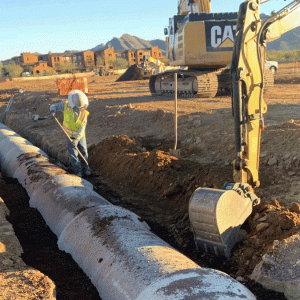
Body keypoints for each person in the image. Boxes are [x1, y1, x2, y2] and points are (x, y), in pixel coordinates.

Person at [50, 90, 91, 177]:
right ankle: (78, 171)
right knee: (73, 154)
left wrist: (76, 140)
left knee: (84, 152)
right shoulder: (65, 105)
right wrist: (53, 110)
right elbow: (54, 106)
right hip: (68, 135)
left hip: (80, 136)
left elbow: (81, 129)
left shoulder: (84, 113)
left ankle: (86, 168)